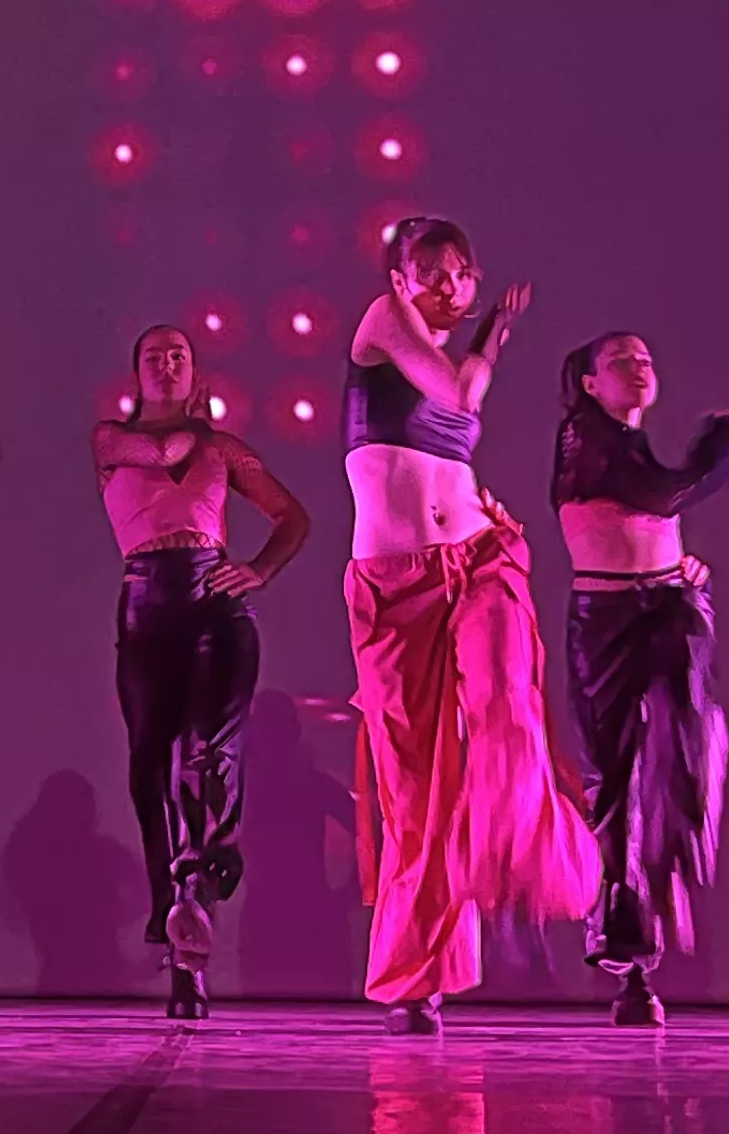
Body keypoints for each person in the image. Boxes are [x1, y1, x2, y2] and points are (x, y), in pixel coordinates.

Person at [341, 217, 597, 1031]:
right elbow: (459, 394)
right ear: (400, 282)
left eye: (460, 274)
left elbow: (452, 428)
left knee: (505, 712)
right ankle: (418, 976)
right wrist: (493, 335)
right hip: (397, 584)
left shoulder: (446, 346)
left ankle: (515, 848)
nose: (446, 286)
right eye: (430, 273)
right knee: (415, 782)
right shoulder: (384, 326)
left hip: (478, 557)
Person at [91, 322, 308, 1018]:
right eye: (153, 355)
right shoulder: (110, 441)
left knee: (205, 755)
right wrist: (198, 430)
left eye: (178, 355)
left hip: (214, 601)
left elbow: (291, 517)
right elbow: (161, 446)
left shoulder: (226, 450)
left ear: (195, 371)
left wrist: (258, 571)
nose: (166, 362)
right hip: (146, 606)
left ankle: (194, 901)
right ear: (138, 374)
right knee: (149, 765)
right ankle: (173, 907)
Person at [551, 330, 729, 1027]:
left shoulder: (631, 445)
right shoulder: (583, 438)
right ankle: (626, 946)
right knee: (617, 776)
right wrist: (725, 443)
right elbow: (664, 494)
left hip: (668, 605)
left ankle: (661, 909)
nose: (637, 367)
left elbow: (658, 513)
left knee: (682, 760)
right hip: (608, 621)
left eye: (645, 359)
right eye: (619, 361)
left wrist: (681, 575)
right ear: (589, 382)